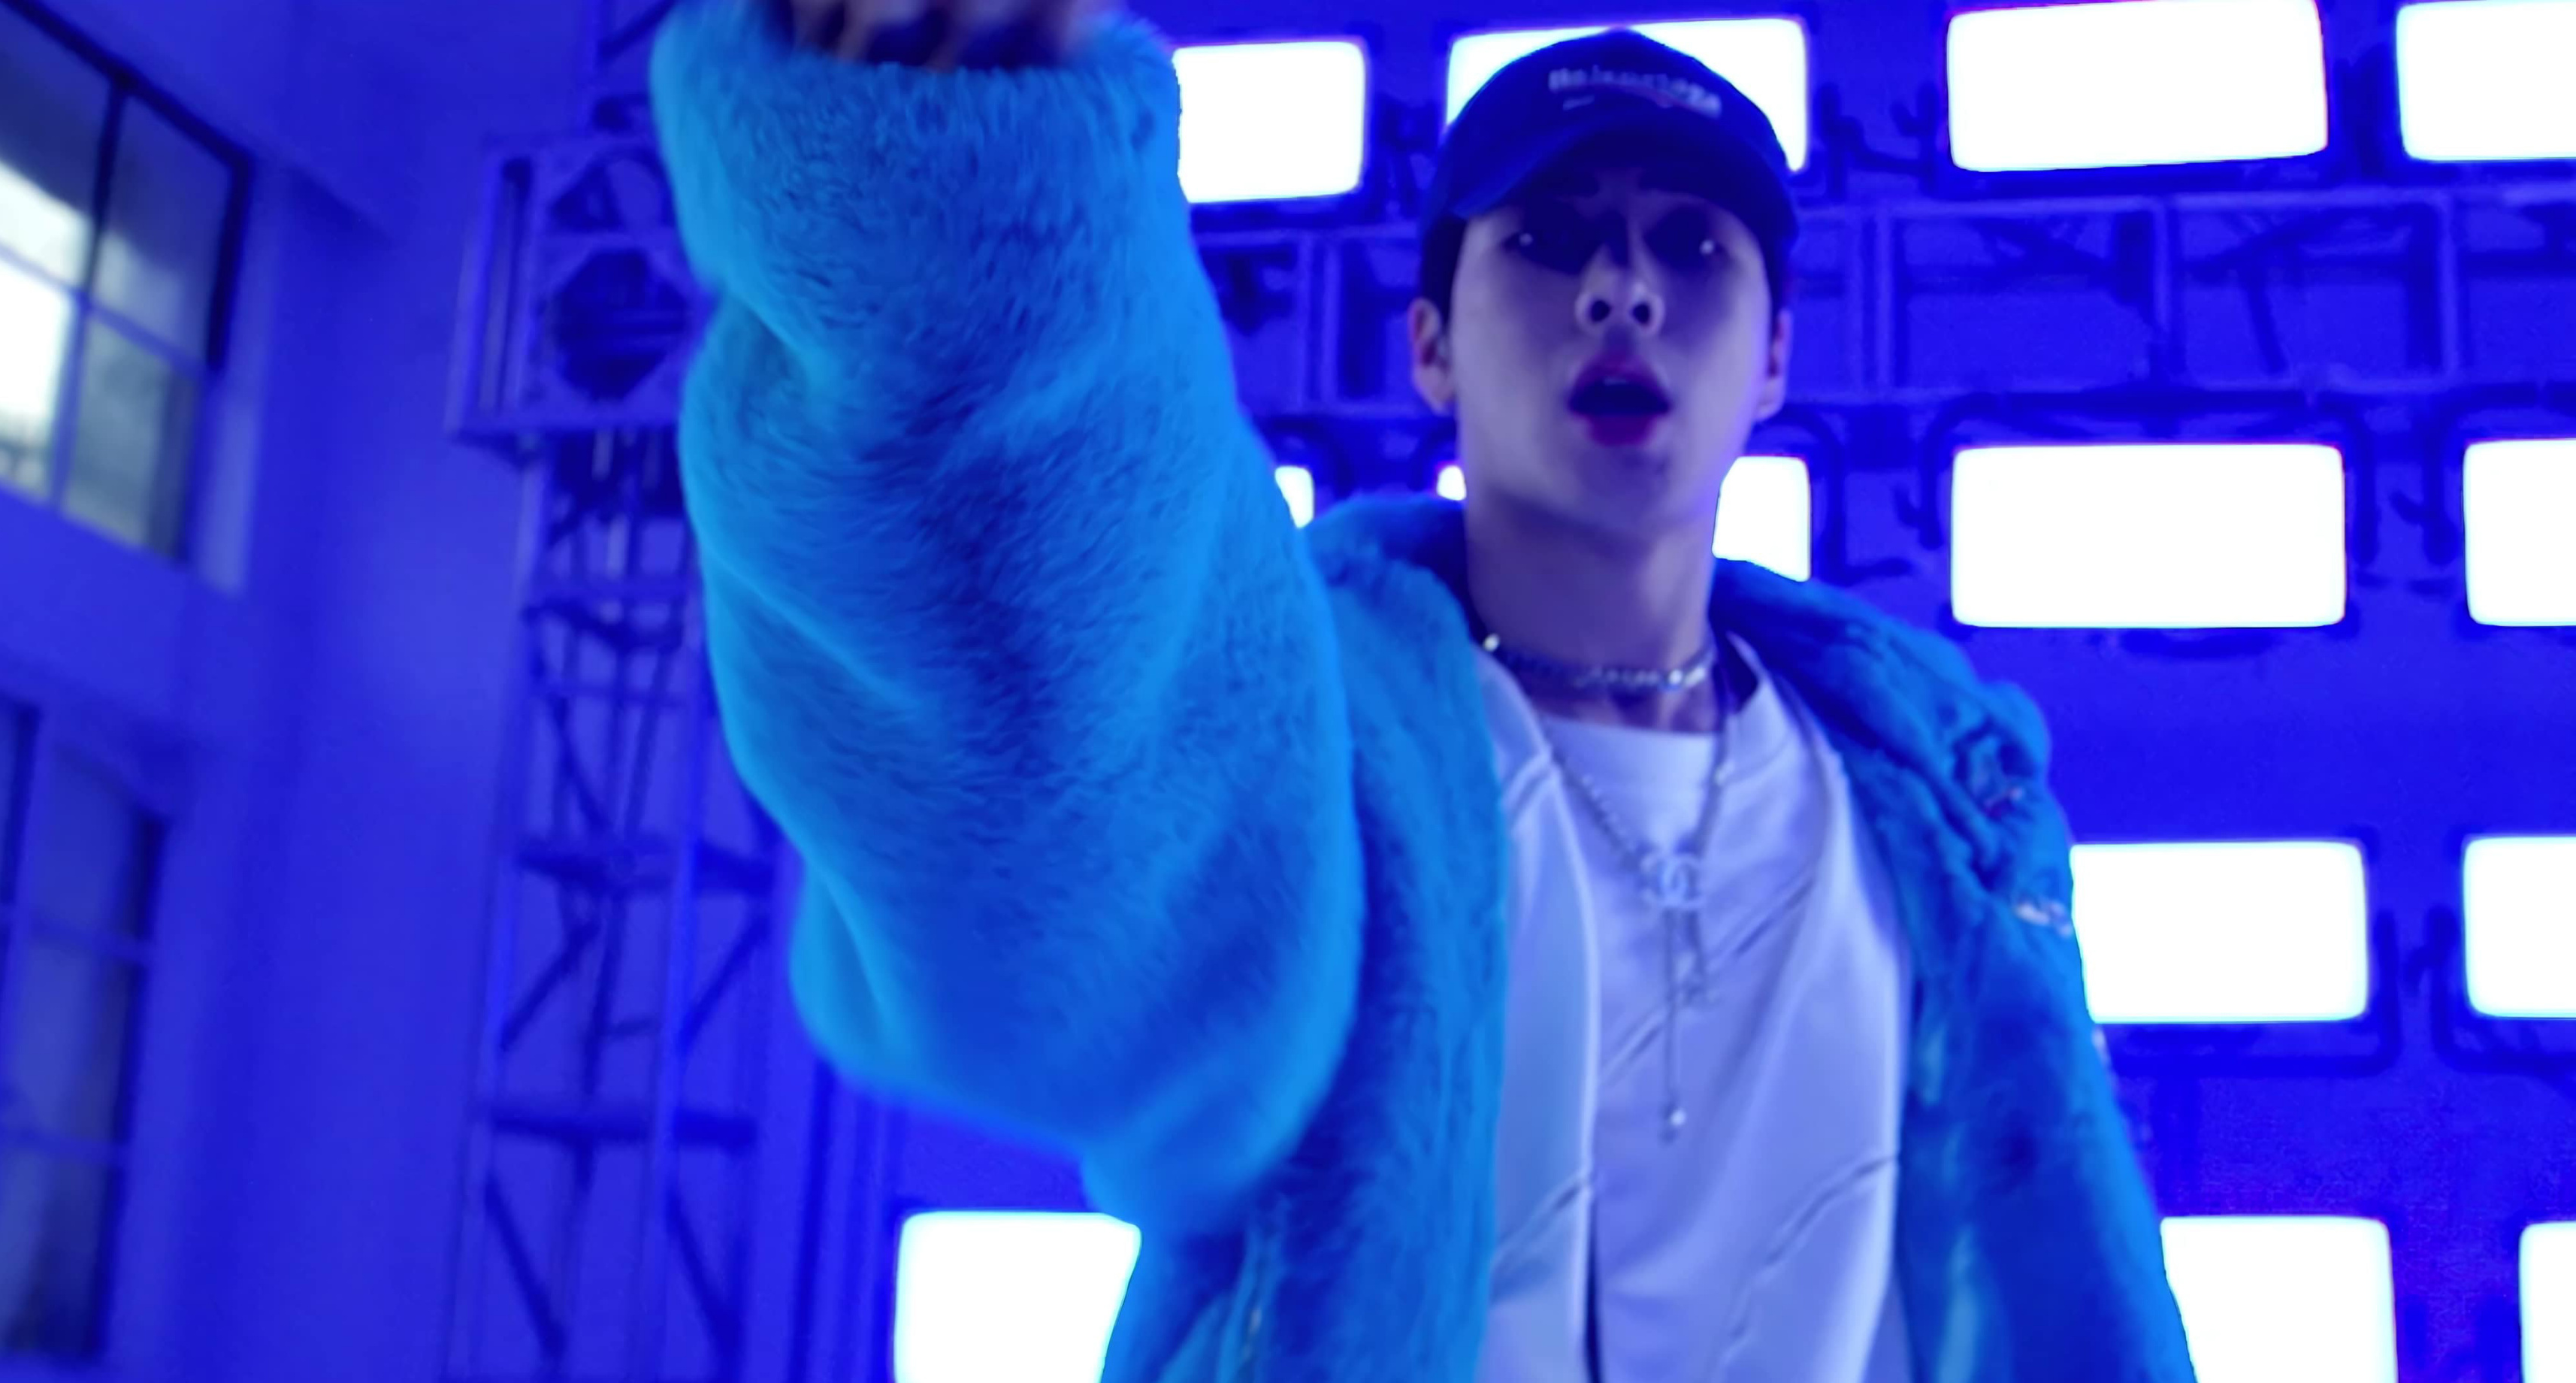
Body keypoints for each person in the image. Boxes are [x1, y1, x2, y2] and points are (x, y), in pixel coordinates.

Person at [654, 2, 2196, 1378]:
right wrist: (960, 234)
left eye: (1692, 246)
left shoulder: (1935, 794)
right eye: (1548, 238)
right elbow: (1071, 881)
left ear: (1776, 356)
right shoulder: (1310, 751)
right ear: (1432, 349)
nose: (1622, 289)